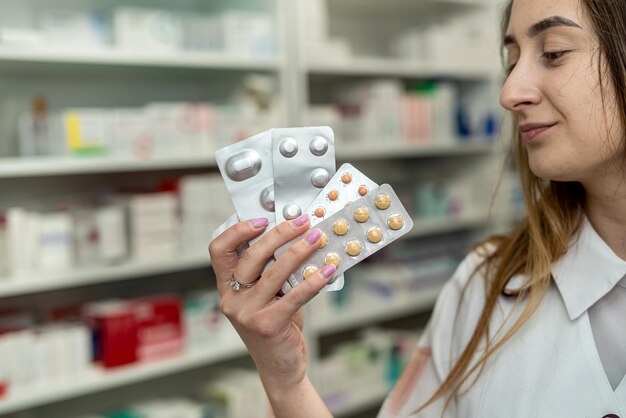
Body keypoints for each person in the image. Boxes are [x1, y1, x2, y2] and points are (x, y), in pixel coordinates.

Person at [208, 0, 626, 415]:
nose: (509, 92)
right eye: (512, 60)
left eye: (553, 53)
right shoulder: (485, 285)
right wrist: (285, 380)